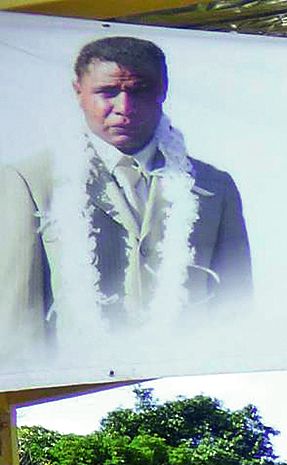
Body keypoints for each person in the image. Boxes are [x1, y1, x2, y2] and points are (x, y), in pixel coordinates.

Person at [0, 36, 252, 353]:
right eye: (107, 92)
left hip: (181, 379)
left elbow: (236, 310)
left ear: (163, 90)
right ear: (78, 91)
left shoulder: (215, 186)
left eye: (139, 91)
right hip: (77, 388)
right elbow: (16, 324)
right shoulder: (30, 180)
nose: (124, 108)